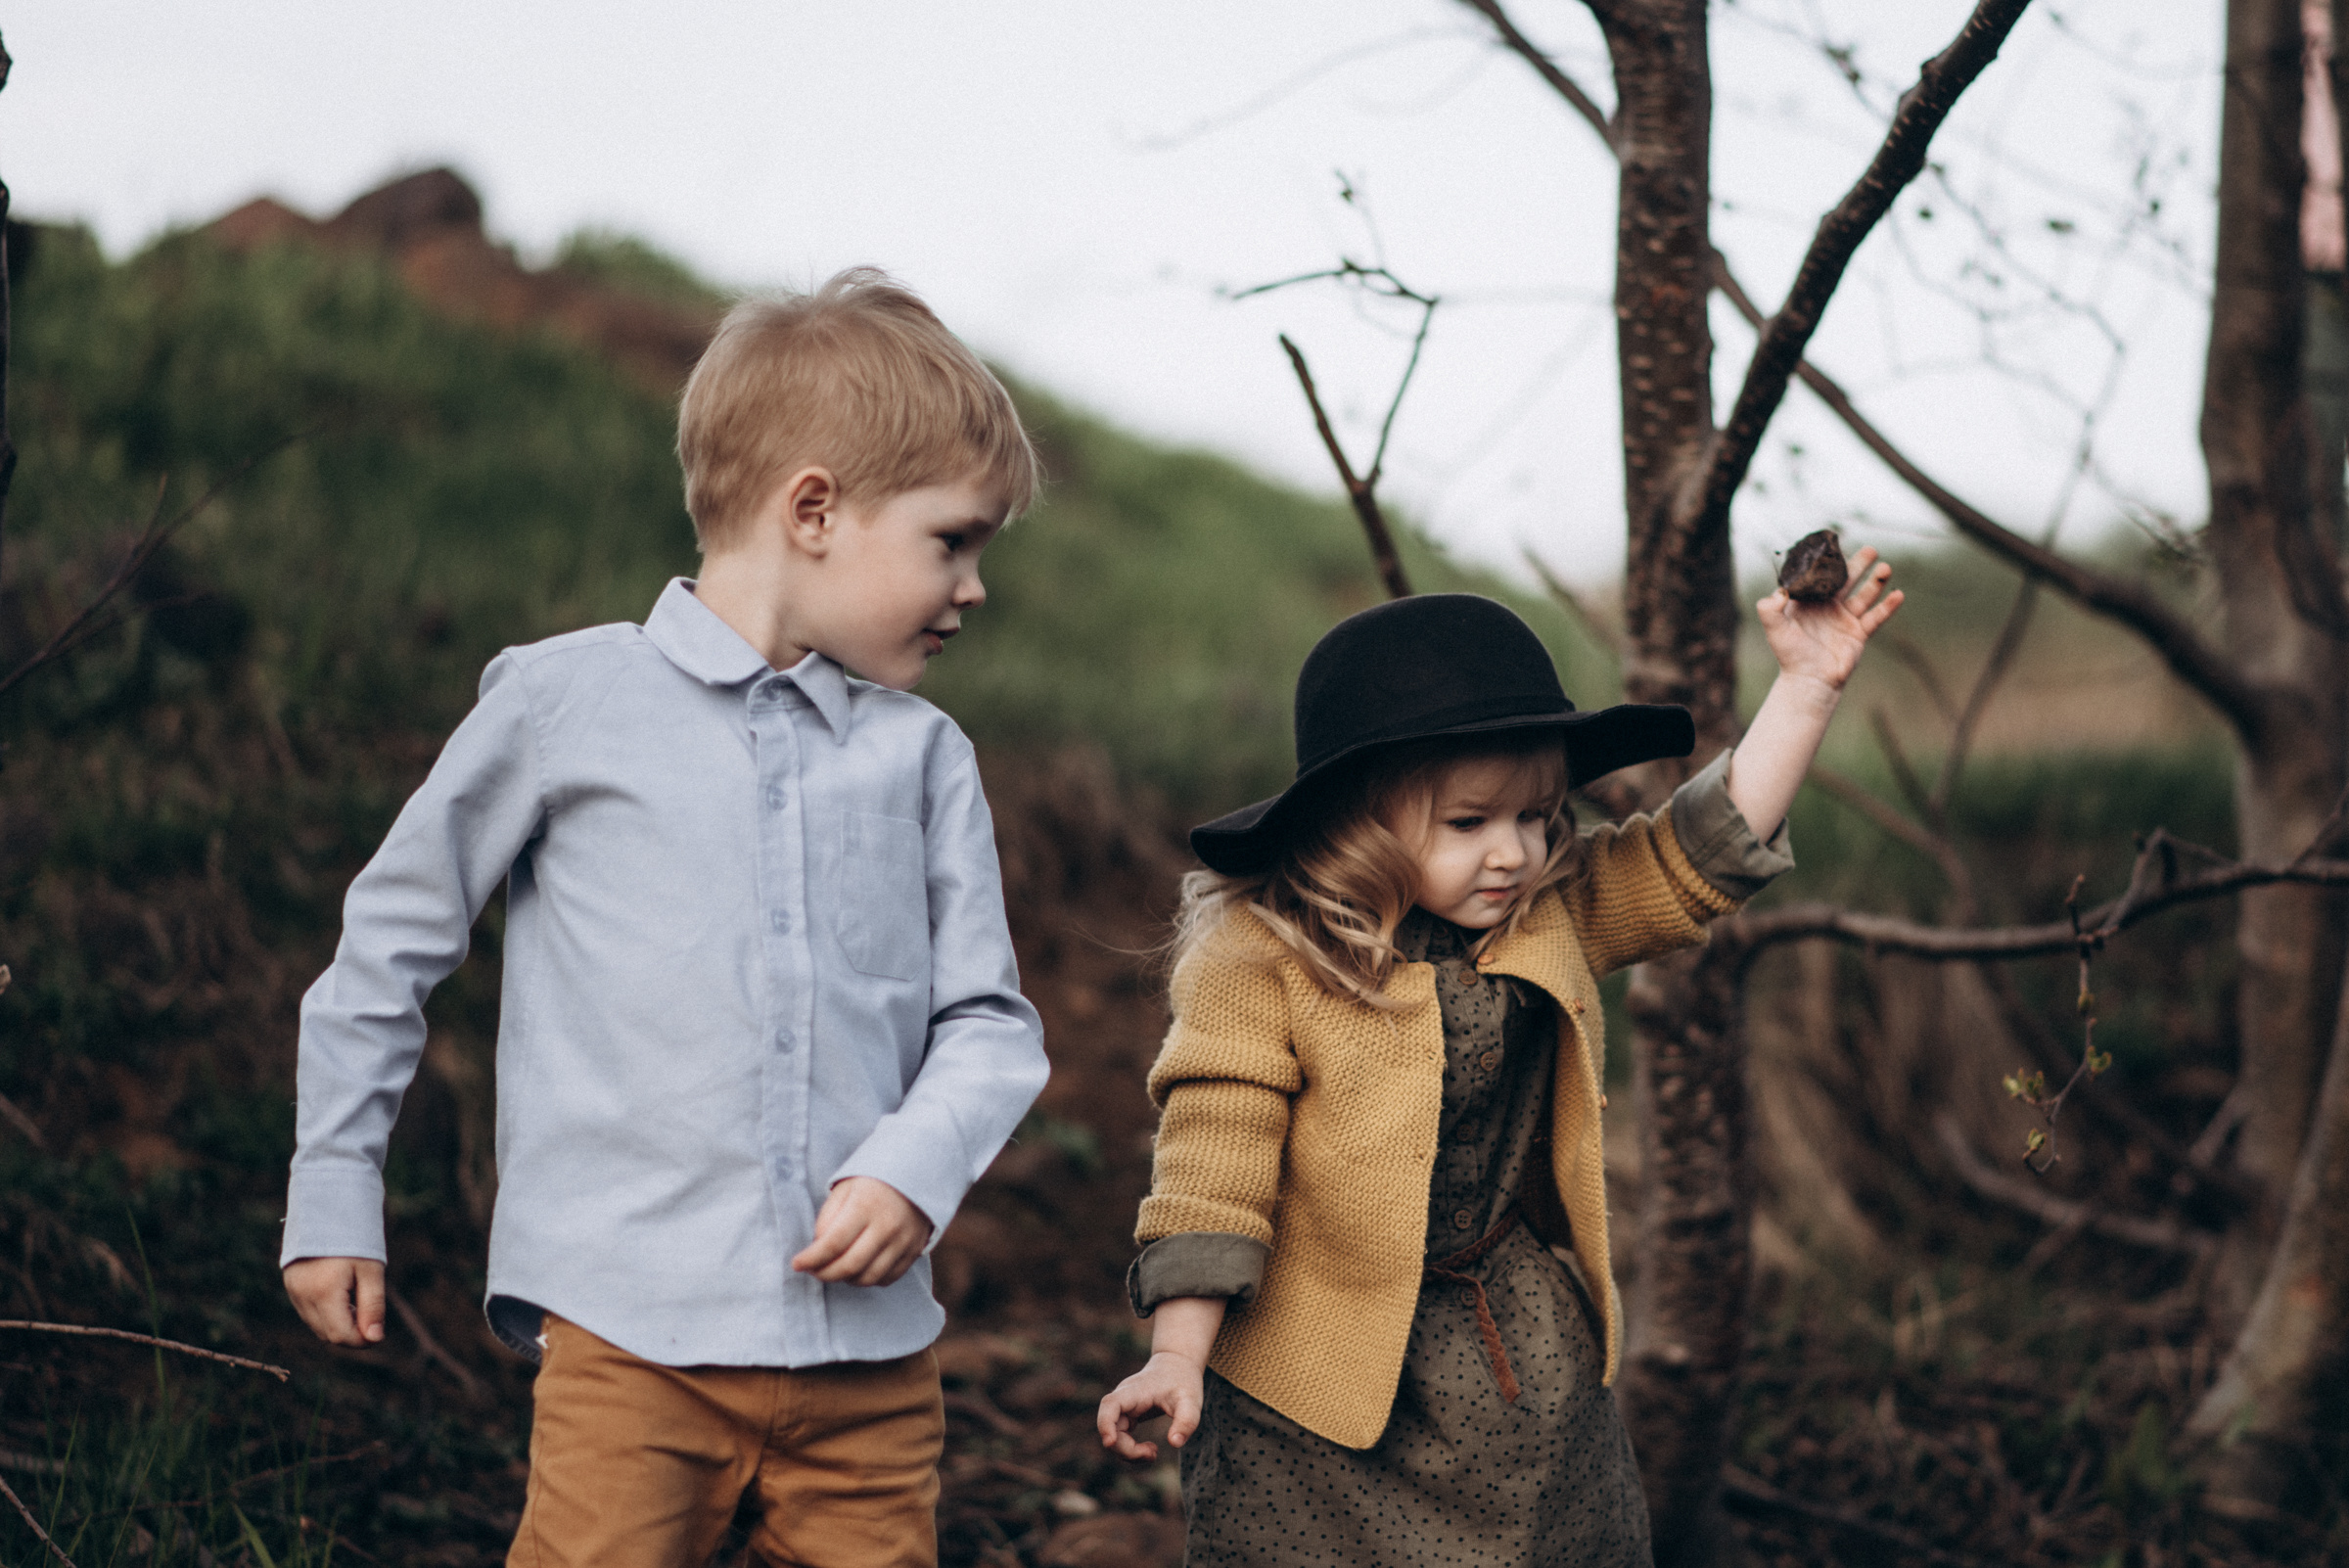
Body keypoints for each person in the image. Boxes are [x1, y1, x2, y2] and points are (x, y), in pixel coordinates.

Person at [279, 268, 1050, 1567]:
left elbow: (988, 1021)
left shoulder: (925, 759)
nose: (973, 587)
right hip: (630, 1345)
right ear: (816, 509)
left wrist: (913, 1166)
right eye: (952, 542)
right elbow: (390, 947)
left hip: (869, 1373)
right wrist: (335, 1187)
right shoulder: (562, 705)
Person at [1096, 566, 1901, 1566]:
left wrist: (1808, 687)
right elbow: (1214, 1164)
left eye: (1535, 815)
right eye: (1470, 823)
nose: (1515, 853)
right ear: (1354, 822)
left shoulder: (1546, 913)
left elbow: (1699, 855)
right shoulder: (1263, 960)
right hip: (1313, 1376)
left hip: (1509, 1353)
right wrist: (1177, 1354)